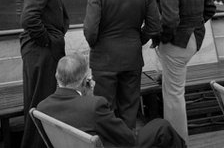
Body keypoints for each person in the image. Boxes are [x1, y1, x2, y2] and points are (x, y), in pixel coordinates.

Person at [83, 0, 161, 130]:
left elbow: (91, 30)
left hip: (104, 60)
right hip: (132, 58)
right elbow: (154, 25)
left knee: (104, 107)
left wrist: (97, 45)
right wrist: (137, 40)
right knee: (129, 106)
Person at [37, 53, 186, 148]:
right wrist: (89, 96)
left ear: (57, 78)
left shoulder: (42, 108)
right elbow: (128, 140)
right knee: (161, 126)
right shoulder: (94, 105)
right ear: (85, 82)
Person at [149, 0, 216, 145]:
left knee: (173, 94)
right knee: (175, 88)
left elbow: (169, 21)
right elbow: (210, 9)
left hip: (176, 44)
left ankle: (178, 141)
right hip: (194, 41)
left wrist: (164, 39)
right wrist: (193, 27)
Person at [20, 0, 74, 148]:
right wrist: (48, 42)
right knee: (41, 105)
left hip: (42, 51)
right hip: (42, 51)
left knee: (41, 103)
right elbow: (29, 18)